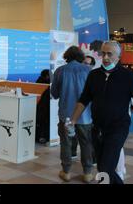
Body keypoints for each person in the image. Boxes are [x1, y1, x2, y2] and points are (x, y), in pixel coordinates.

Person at [70, 41, 133, 184]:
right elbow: (84, 99)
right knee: (102, 168)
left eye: (110, 54)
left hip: (118, 127)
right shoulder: (94, 75)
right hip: (97, 128)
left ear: (119, 56)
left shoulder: (128, 76)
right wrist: (73, 120)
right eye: (104, 53)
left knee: (106, 168)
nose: (106, 57)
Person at [51, 46, 94, 183]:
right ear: (81, 57)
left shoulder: (60, 71)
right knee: (86, 143)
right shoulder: (88, 71)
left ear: (66, 56)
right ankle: (87, 173)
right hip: (86, 115)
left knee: (66, 143)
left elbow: (55, 93)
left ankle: (66, 172)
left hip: (66, 115)